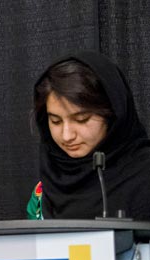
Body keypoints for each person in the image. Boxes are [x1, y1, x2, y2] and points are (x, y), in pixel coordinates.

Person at [27, 51, 150, 220]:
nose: (67, 135)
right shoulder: (48, 184)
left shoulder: (144, 176)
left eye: (81, 119)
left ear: (113, 114)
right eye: (56, 121)